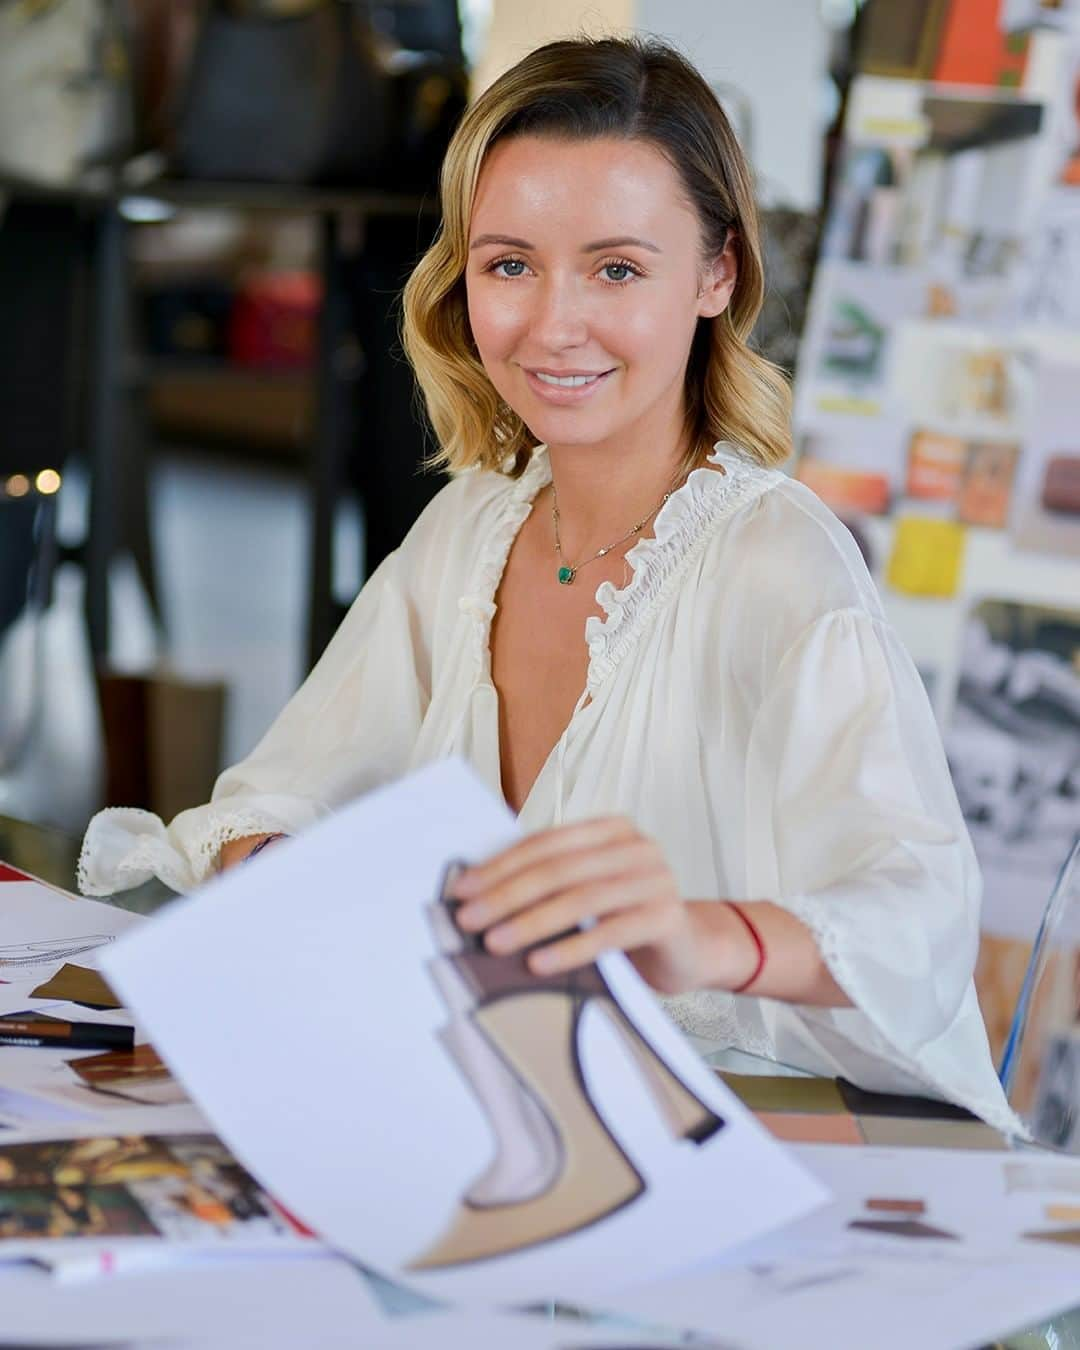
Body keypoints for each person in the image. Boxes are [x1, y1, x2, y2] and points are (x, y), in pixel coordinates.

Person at [79, 36, 1013, 1129]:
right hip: (526, 1131)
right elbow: (286, 791)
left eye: (616, 268)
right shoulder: (472, 525)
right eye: (509, 264)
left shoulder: (780, 566)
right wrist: (276, 872)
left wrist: (701, 933)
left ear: (717, 274)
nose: (552, 325)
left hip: (791, 1153)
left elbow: (920, 923)